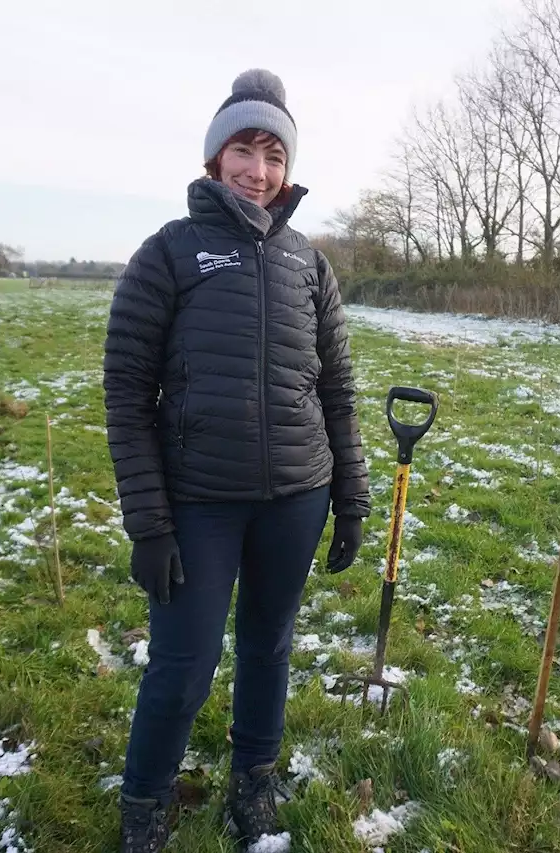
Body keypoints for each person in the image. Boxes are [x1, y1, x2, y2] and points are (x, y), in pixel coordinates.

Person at [102, 68, 370, 852]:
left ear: (288, 167)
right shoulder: (169, 254)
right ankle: (145, 800)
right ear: (216, 159)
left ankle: (255, 776)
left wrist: (350, 500)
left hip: (297, 494)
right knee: (184, 663)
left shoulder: (308, 265)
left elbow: (340, 391)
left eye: (274, 154)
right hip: (198, 502)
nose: (259, 169)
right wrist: (148, 522)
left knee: (269, 644)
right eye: (244, 150)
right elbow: (126, 393)